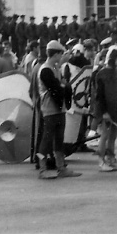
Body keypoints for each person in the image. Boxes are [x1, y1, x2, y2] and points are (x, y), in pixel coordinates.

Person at [36, 40, 79, 179]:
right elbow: (58, 87)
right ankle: (42, 169)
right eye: (61, 54)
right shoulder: (46, 70)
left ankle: (61, 167)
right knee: (46, 140)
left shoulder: (54, 68)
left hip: (58, 109)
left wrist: (63, 86)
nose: (62, 57)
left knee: (58, 140)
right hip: (50, 109)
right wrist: (63, 86)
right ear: (56, 54)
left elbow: (62, 86)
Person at [93, 45, 117, 171]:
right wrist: (103, 112)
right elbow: (99, 96)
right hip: (106, 111)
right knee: (105, 135)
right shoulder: (101, 74)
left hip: (116, 109)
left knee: (113, 135)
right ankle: (101, 161)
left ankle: (110, 159)